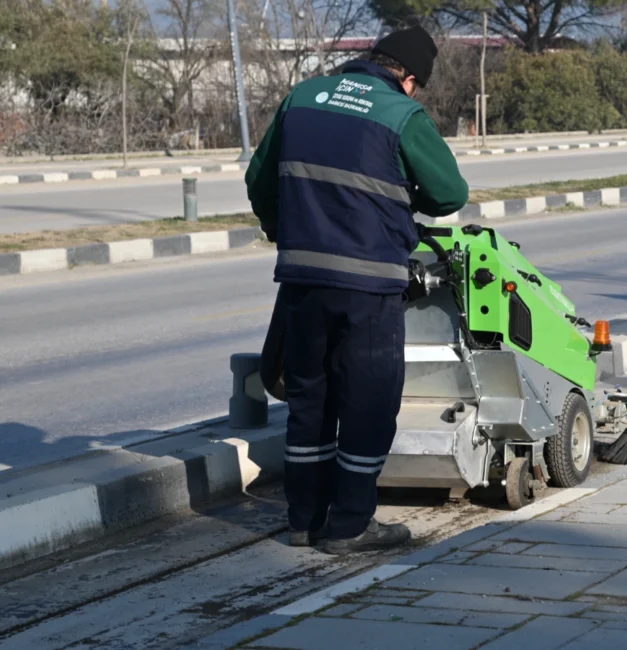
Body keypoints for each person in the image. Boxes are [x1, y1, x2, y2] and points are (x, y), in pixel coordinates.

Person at [244, 25, 469, 555]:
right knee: (367, 403)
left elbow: (260, 181)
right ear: (408, 78)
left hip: (301, 281)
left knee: (310, 400)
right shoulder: (400, 114)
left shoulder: (303, 96)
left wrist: (286, 230)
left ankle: (303, 521)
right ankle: (349, 527)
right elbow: (448, 193)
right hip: (368, 286)